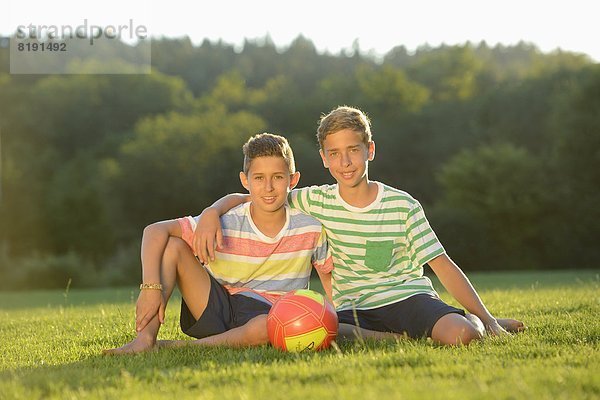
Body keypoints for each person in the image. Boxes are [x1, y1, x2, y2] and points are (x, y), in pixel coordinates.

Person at [194, 106, 525, 346]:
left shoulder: (402, 205)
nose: (345, 162)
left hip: (407, 298)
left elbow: (442, 265)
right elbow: (260, 193)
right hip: (353, 311)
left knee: (463, 336)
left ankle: (476, 319)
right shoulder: (314, 200)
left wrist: (490, 320)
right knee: (334, 326)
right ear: (324, 158)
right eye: (335, 154)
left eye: (353, 151)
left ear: (370, 150)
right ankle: (389, 338)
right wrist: (212, 211)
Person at [104, 133, 332, 354]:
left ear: (293, 180)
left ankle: (181, 347)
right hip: (217, 305)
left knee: (265, 325)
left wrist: (332, 318)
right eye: (259, 178)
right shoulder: (224, 220)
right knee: (173, 246)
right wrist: (150, 288)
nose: (269, 187)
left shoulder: (309, 228)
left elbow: (328, 280)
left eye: (278, 177)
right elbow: (154, 231)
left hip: (272, 317)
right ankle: (145, 340)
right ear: (245, 181)